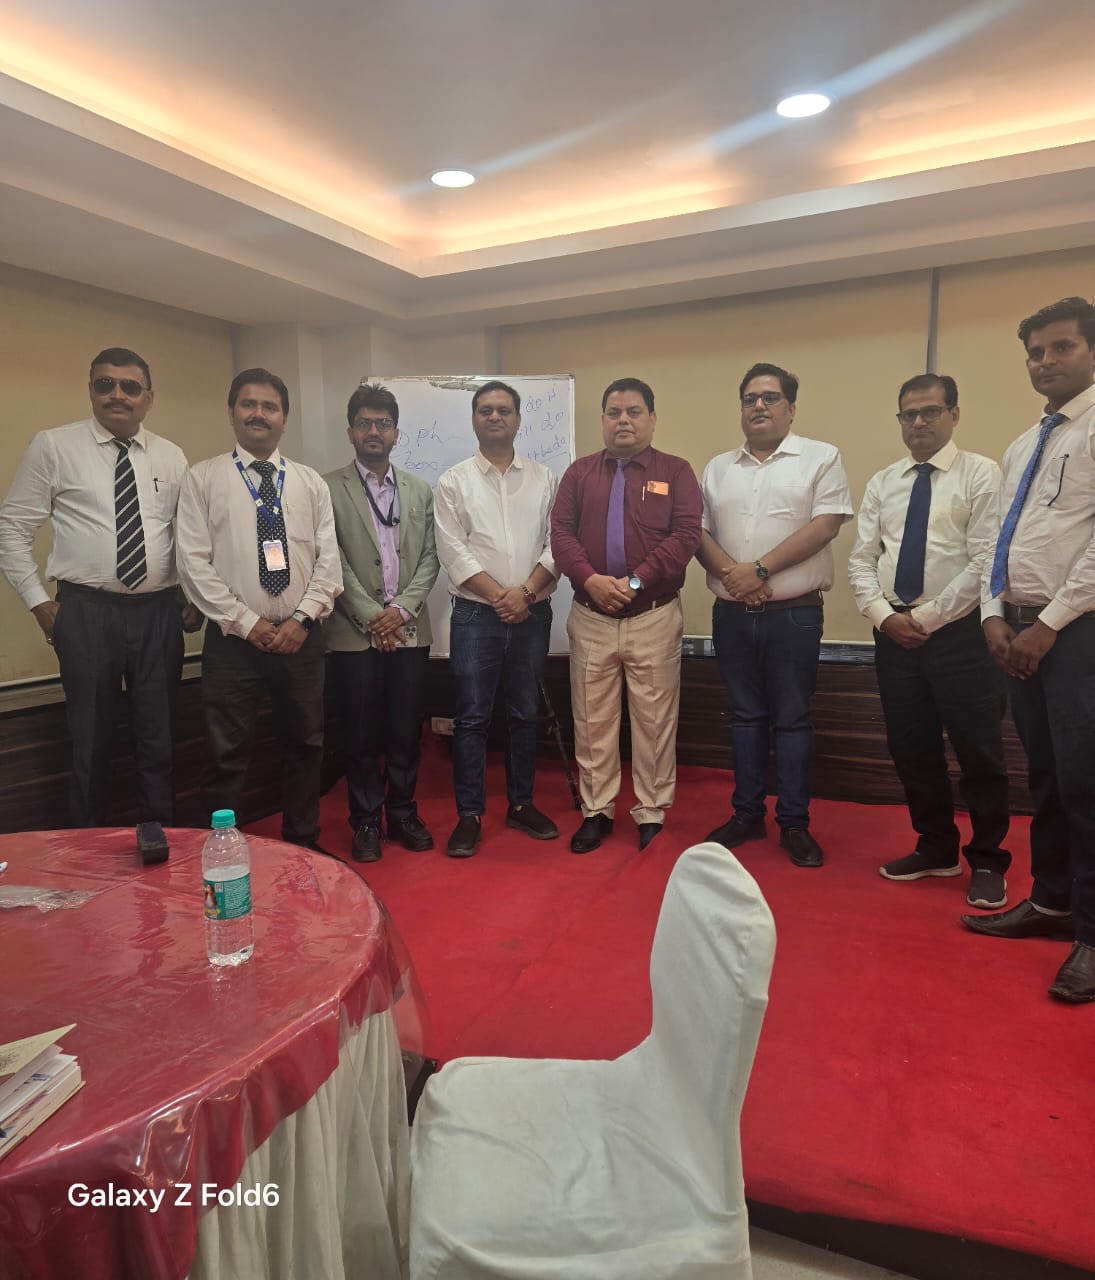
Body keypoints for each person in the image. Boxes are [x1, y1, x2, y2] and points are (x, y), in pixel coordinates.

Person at [0, 347, 196, 861]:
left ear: (148, 398)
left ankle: (161, 846)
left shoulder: (171, 456)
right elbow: (12, 529)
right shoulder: (54, 446)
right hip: (86, 613)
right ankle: (86, 852)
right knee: (90, 739)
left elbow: (190, 536)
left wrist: (192, 597)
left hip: (158, 613)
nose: (117, 395)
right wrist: (39, 603)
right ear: (91, 390)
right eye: (105, 384)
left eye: (130, 387)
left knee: (158, 738)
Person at [964, 296, 1095, 1005]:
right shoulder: (1022, 444)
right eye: (1035, 352)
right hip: (1016, 628)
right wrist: (992, 613)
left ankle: (1092, 935)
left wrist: (1049, 622)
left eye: (1061, 347)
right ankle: (1050, 901)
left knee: (1087, 784)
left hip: (1077, 634)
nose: (1045, 361)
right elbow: (996, 536)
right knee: (1044, 777)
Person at [848, 374, 1009, 907]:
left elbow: (986, 560)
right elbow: (861, 559)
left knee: (978, 751)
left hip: (959, 634)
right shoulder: (884, 482)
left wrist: (928, 618)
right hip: (894, 633)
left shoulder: (981, 474)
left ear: (953, 415)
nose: (918, 422)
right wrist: (883, 616)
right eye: (909, 414)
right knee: (911, 747)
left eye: (930, 411)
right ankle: (936, 846)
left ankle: (988, 859)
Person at [176, 368, 342, 851]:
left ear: (284, 419)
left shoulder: (309, 483)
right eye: (248, 404)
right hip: (233, 642)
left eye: (270, 407)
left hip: (301, 639)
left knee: (306, 746)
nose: (258, 414)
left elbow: (329, 562)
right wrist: (248, 624)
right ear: (231, 413)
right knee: (225, 753)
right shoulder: (203, 478)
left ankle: (303, 844)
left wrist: (302, 619)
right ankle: (223, 850)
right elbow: (192, 563)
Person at [697, 362, 852, 868]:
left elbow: (826, 525)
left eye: (770, 398)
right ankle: (746, 815)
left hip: (794, 615)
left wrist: (759, 571)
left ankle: (794, 823)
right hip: (732, 615)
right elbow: (696, 532)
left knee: (792, 719)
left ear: (791, 408)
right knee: (744, 717)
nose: (759, 406)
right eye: (750, 399)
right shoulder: (718, 468)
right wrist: (735, 578)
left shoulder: (821, 458)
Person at [551, 376, 702, 853]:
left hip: (653, 614)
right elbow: (561, 535)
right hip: (591, 614)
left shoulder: (676, 472)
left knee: (655, 720)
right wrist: (592, 580)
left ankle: (651, 810)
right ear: (602, 420)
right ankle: (596, 809)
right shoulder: (578, 474)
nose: (623, 421)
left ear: (652, 419)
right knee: (591, 718)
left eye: (633, 412)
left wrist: (634, 582)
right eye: (614, 413)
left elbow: (685, 537)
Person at [433, 380, 559, 857]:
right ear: (473, 419)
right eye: (485, 409)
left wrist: (523, 595)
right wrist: (501, 598)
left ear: (518, 420)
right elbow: (453, 552)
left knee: (524, 713)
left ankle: (521, 805)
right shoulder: (453, 482)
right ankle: (470, 814)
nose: (494, 417)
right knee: (471, 718)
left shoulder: (545, 479)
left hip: (532, 613)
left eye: (503, 410)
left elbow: (557, 545)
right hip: (475, 616)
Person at [324, 383, 440, 863]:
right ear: (351, 431)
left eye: (383, 423)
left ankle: (404, 812)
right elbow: (331, 559)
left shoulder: (419, 490)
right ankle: (367, 819)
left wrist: (400, 611)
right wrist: (374, 617)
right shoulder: (326, 488)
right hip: (354, 633)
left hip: (409, 629)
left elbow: (431, 557)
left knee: (405, 730)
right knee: (359, 733)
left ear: (396, 433)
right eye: (365, 423)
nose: (374, 431)